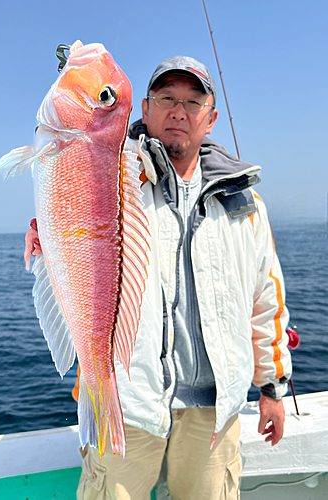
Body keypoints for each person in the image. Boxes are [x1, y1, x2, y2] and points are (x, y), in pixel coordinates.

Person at [26, 55, 292, 500]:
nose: (178, 111)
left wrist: (272, 387)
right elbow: (72, 203)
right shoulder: (116, 176)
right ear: (144, 111)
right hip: (127, 404)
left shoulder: (247, 207)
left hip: (213, 413)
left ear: (211, 118)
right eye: (166, 98)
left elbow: (266, 300)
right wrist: (48, 228)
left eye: (193, 101)